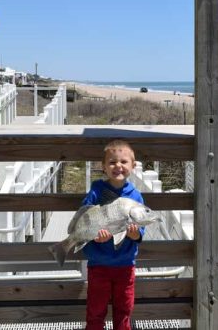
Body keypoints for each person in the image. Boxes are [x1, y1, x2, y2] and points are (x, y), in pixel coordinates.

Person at [82, 139, 145, 330]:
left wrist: (134, 234)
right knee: (95, 312)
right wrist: (95, 236)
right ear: (103, 167)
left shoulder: (135, 197)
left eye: (124, 162)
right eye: (112, 162)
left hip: (125, 266)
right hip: (98, 265)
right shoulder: (96, 190)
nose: (118, 166)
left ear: (133, 166)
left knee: (124, 311)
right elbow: (85, 217)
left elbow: (139, 233)